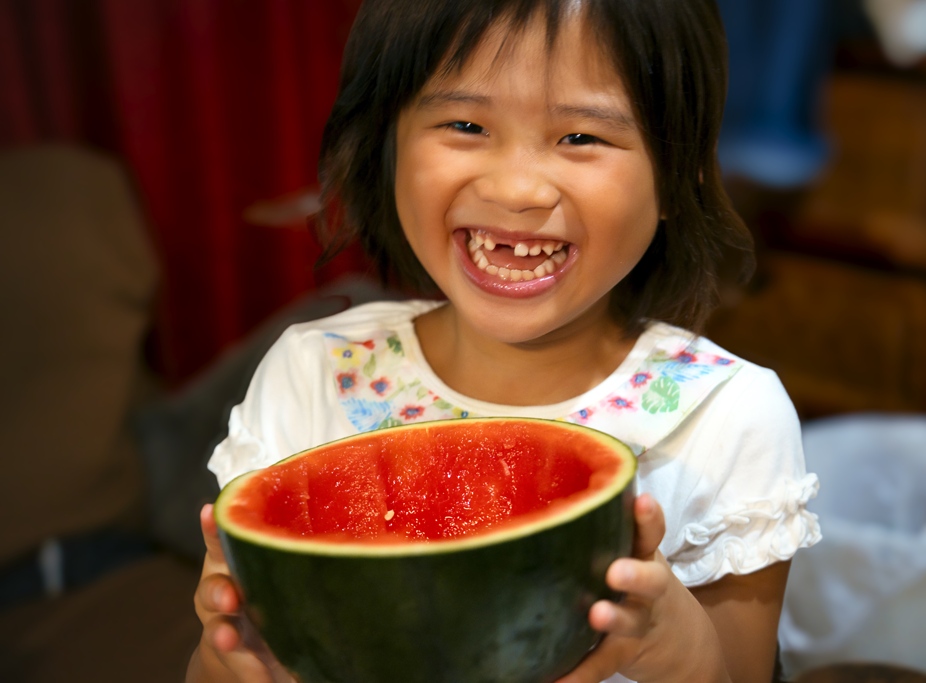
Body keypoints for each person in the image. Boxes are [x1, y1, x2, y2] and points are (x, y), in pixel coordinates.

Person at [187, 0, 822, 681]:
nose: (518, 189)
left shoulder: (730, 420)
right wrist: (230, 657)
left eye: (581, 137)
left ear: (679, 174)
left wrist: (680, 647)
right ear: (387, 144)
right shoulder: (309, 378)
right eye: (465, 124)